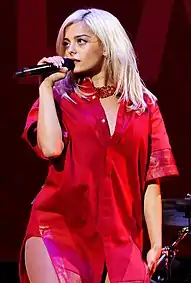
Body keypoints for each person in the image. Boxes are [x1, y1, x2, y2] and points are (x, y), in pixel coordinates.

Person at [19, 8, 179, 283]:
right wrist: (45, 88)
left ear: (106, 46)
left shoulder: (143, 106)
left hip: (121, 239)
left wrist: (155, 244)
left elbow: (152, 181)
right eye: (67, 44)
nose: (71, 50)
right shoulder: (60, 99)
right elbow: (50, 149)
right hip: (59, 229)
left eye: (81, 41)